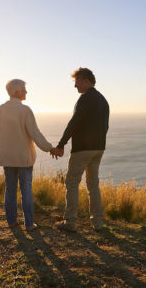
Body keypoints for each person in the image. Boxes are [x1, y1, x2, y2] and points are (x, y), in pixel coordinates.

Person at [51, 67, 109, 232]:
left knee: (72, 183)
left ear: (85, 79)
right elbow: (105, 126)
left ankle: (70, 222)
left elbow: (74, 122)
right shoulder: (103, 100)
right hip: (98, 149)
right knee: (93, 185)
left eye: (76, 81)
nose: (75, 85)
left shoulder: (85, 98)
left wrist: (61, 145)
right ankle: (97, 223)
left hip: (82, 149)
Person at [0, 79, 53, 231]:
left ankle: (11, 222)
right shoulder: (25, 110)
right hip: (24, 158)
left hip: (7, 157)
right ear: (18, 91)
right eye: (24, 89)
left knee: (10, 189)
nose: (26, 92)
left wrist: (5, 148)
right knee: (26, 189)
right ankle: (29, 224)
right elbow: (35, 134)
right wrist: (50, 148)